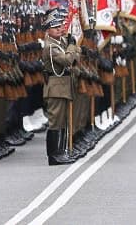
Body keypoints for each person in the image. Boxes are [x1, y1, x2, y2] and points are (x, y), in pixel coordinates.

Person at [42, 15, 80, 165]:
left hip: (63, 86)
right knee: (55, 122)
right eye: (55, 27)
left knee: (63, 121)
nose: (59, 29)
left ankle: (61, 151)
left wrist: (73, 46)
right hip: (56, 87)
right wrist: (72, 47)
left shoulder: (60, 42)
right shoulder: (50, 46)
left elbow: (76, 55)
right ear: (48, 30)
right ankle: (53, 155)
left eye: (60, 26)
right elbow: (66, 60)